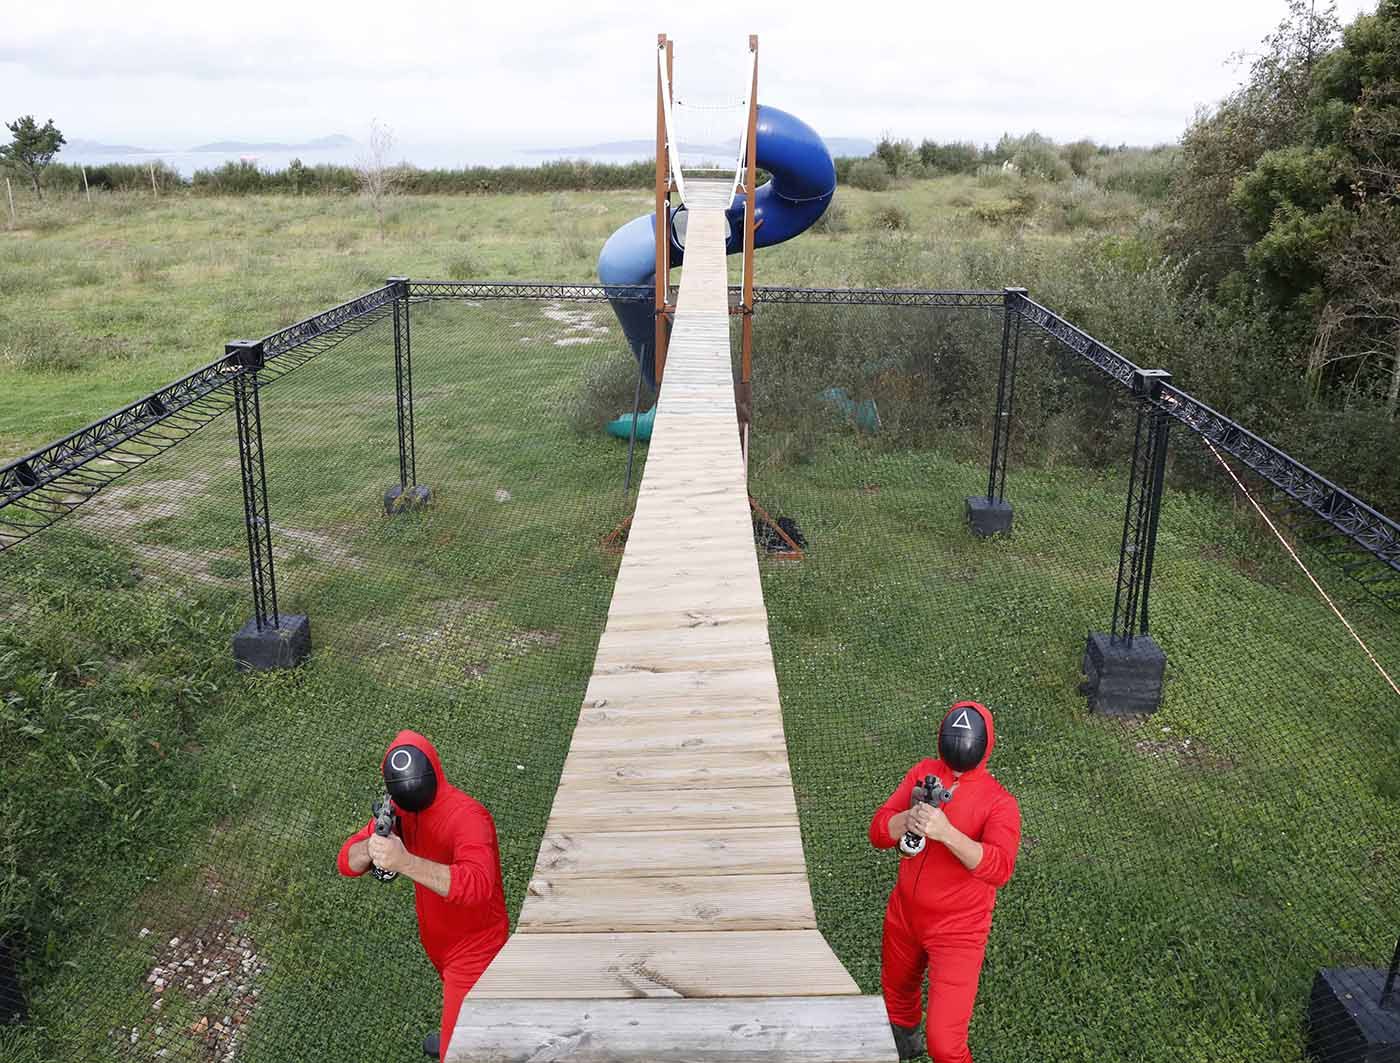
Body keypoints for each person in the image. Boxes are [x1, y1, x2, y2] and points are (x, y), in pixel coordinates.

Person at [337, 730, 509, 1060]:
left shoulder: (470, 818)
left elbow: (478, 885)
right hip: (439, 944)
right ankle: (457, 1029)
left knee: (459, 1054)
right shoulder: (398, 810)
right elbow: (346, 861)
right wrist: (369, 848)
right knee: (466, 1020)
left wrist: (405, 861)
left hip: (475, 951)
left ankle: (455, 1041)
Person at [868, 701, 1021, 1063]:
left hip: (958, 931)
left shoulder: (1000, 804)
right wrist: (908, 818)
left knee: (945, 1044)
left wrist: (947, 833)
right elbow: (878, 831)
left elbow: (999, 868)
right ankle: (903, 1049)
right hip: (904, 915)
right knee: (896, 1001)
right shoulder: (923, 773)